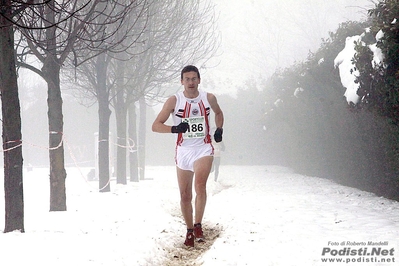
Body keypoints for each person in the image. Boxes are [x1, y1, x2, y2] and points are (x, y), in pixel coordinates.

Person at [152, 65, 224, 248]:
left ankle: (198, 224)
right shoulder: (174, 101)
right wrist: (174, 129)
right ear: (181, 81)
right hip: (183, 150)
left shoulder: (208, 98)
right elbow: (156, 125)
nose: (191, 82)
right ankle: (190, 230)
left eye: (194, 79)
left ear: (199, 80)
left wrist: (219, 130)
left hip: (203, 149)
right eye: (187, 79)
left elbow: (219, 113)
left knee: (200, 185)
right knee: (185, 195)